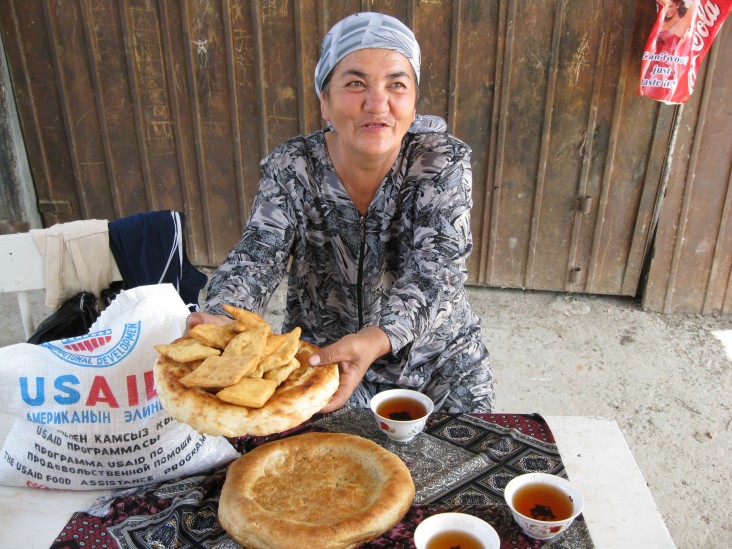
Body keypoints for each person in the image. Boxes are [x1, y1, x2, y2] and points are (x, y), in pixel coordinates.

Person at [187, 12, 495, 414]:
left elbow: (437, 269)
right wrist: (222, 315)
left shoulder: (440, 161)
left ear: (413, 101)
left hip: (440, 367)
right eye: (355, 83)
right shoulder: (293, 168)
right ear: (325, 102)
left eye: (396, 84)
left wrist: (376, 337)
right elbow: (257, 255)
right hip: (329, 367)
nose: (377, 103)